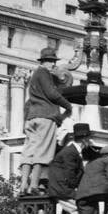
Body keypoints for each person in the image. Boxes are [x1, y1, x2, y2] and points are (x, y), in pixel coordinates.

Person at [20, 47, 73, 194]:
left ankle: (23, 184)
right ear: (47, 62)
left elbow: (27, 103)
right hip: (46, 116)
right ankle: (34, 185)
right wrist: (67, 105)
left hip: (32, 117)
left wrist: (26, 120)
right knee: (42, 152)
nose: (54, 65)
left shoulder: (34, 76)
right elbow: (52, 93)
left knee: (28, 152)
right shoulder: (44, 73)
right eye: (52, 62)